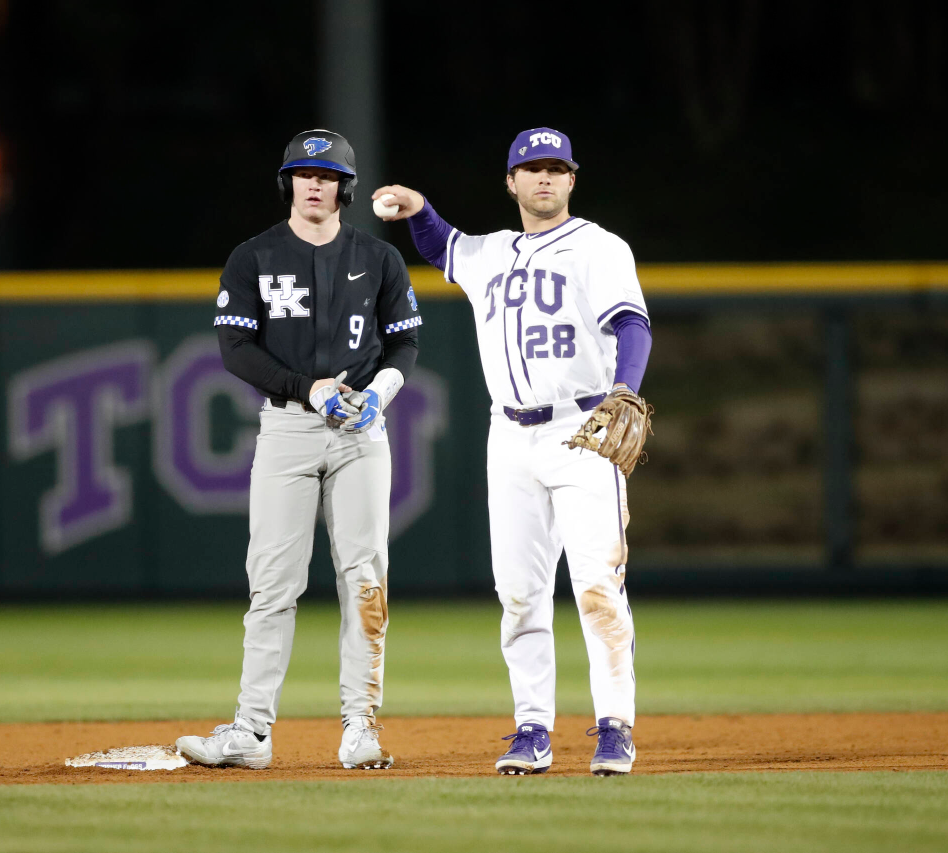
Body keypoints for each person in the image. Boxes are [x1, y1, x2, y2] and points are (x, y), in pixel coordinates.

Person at [372, 127, 651, 776]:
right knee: (520, 593)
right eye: (532, 168)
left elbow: (632, 324)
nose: (544, 178)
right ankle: (532, 729)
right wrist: (419, 208)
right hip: (511, 438)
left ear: (573, 180)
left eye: (557, 168)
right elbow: (444, 246)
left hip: (585, 431)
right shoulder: (491, 252)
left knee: (597, 587)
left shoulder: (599, 247)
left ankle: (615, 727)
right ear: (511, 181)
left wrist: (624, 391)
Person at [175, 129, 421, 771]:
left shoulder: (379, 258)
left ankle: (360, 727)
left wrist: (383, 393)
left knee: (366, 579)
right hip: (286, 426)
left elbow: (403, 345)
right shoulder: (253, 256)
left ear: (346, 186)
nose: (316, 183)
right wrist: (307, 389)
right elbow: (236, 350)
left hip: (361, 430)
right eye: (304, 174)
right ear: (288, 182)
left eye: (328, 174)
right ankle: (252, 733)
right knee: (273, 583)